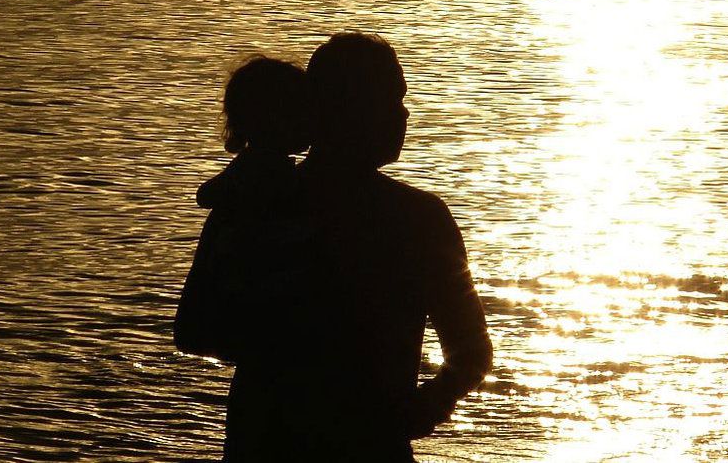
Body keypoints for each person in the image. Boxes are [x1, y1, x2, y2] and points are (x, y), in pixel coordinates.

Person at [290, 32, 494, 461]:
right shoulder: (419, 219)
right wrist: (425, 406)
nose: (403, 115)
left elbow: (198, 330)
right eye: (388, 101)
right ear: (344, 110)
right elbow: (471, 352)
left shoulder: (261, 202)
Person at [173, 55, 318, 459]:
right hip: (283, 392)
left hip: (254, 393)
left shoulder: (232, 195)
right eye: (302, 108)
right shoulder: (289, 194)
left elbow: (191, 324)